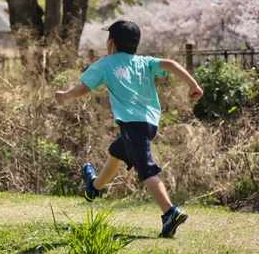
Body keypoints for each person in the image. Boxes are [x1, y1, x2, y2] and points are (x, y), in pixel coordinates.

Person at [54, 19, 204, 238]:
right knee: (116, 152)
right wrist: (193, 85)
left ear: (111, 43)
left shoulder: (106, 64)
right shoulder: (144, 62)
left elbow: (84, 87)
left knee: (146, 169)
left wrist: (64, 95)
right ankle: (94, 186)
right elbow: (171, 64)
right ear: (136, 44)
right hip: (149, 124)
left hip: (132, 124)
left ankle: (170, 212)